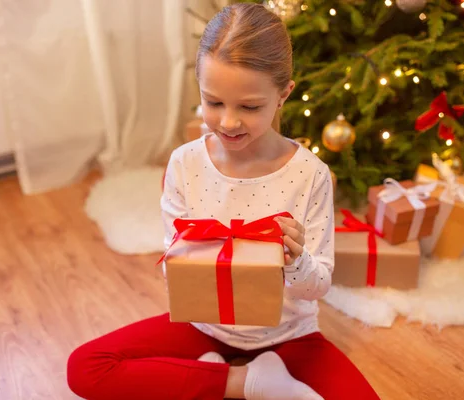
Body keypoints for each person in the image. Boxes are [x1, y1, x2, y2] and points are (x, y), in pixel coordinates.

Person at [67, 3, 380, 399]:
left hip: (289, 336)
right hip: (205, 328)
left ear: (284, 94)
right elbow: (172, 271)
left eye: (249, 107)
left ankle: (210, 380)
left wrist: (295, 261)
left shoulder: (309, 174)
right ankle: (245, 383)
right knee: (85, 367)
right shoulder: (185, 164)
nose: (228, 122)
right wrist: (202, 260)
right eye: (213, 102)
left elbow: (316, 287)